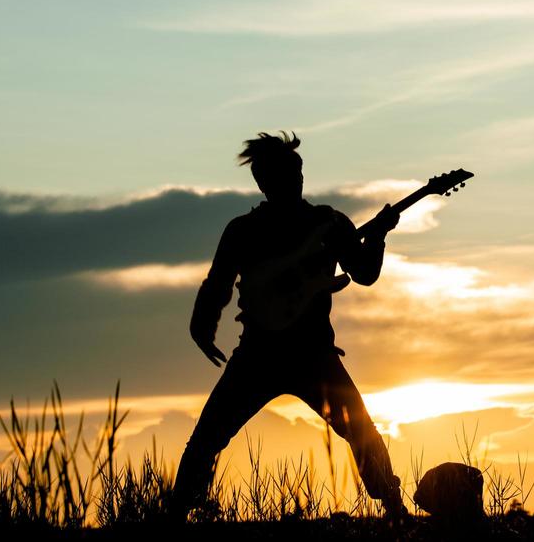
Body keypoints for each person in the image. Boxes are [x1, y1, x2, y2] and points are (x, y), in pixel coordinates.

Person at [171, 131, 406, 519]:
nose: (295, 179)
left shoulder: (328, 223)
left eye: (297, 171)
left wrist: (377, 236)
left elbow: (363, 273)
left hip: (312, 354)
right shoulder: (244, 230)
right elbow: (218, 283)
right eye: (285, 173)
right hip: (261, 354)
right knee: (206, 438)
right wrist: (202, 326)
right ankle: (174, 515)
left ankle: (395, 510)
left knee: (362, 432)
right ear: (264, 182)